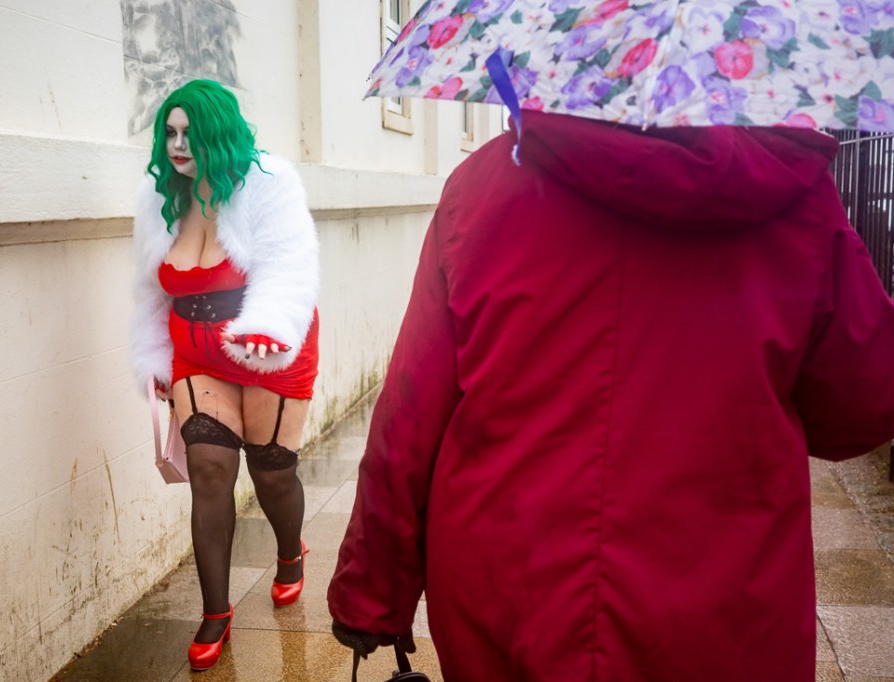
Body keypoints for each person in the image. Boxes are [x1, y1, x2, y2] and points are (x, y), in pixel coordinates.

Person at [327, 111, 894, 681]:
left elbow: (410, 411)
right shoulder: (796, 200)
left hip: (510, 592)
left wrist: (373, 590)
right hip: (725, 603)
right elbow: (865, 403)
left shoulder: (483, 185)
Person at [130, 79, 319, 671]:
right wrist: (154, 355)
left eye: (190, 132)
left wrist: (268, 330)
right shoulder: (161, 196)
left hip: (265, 348)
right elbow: (147, 291)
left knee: (270, 470)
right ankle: (216, 611)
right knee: (210, 471)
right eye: (170, 132)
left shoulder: (269, 182)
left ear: (218, 132)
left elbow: (291, 267)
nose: (178, 144)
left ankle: (291, 552)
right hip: (194, 357)